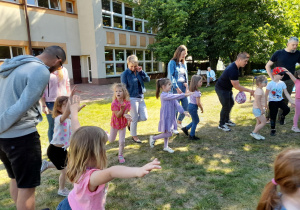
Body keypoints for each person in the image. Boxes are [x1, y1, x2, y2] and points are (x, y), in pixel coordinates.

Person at [56, 94, 161, 210]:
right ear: (94, 153)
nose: (104, 151)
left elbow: (77, 133)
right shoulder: (91, 178)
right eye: (102, 147)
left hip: (69, 203)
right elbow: (112, 172)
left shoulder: (77, 164)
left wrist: (74, 113)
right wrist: (138, 170)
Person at [0, 46, 66, 210]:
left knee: (16, 179)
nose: (55, 72)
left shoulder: (13, 65)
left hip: (3, 139)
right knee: (27, 187)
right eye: (59, 68)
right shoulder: (40, 71)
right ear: (58, 61)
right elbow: (22, 105)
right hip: (21, 138)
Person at [40, 95, 85, 196]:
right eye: (65, 105)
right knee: (65, 171)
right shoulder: (59, 118)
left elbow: (71, 115)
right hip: (54, 150)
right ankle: (61, 189)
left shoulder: (68, 118)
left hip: (63, 150)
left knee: (69, 166)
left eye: (68, 104)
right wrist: (71, 101)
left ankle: (47, 165)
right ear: (59, 108)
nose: (68, 107)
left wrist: (77, 109)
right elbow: (67, 114)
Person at [149, 78, 192, 153]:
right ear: (163, 86)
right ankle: (153, 138)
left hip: (171, 117)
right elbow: (175, 97)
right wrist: (184, 95)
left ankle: (166, 146)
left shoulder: (170, 94)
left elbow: (177, 104)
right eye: (169, 85)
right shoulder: (164, 95)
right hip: (166, 117)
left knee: (167, 131)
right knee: (169, 133)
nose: (170, 86)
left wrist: (183, 112)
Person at [215, 52, 254, 132]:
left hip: (227, 89)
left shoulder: (236, 67)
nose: (246, 63)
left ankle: (227, 120)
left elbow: (236, 84)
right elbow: (237, 86)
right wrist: (249, 90)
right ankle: (221, 124)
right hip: (221, 89)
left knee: (231, 103)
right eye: (245, 61)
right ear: (239, 59)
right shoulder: (233, 69)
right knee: (225, 106)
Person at [265, 37, 300, 120]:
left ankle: (281, 117)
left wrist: (297, 74)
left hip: (289, 81)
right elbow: (267, 65)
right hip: (277, 81)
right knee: (273, 100)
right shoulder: (278, 53)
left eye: (296, 45)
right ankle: (268, 117)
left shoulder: (298, 53)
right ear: (288, 44)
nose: (295, 46)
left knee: (285, 101)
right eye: (293, 45)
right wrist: (272, 78)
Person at [121, 55, 150, 143]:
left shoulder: (138, 71)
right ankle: (134, 136)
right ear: (127, 64)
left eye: (135, 66)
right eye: (131, 66)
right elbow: (123, 88)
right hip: (132, 98)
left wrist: (142, 72)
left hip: (141, 97)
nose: (133, 68)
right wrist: (124, 100)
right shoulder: (125, 74)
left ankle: (130, 122)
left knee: (144, 117)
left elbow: (147, 80)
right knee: (134, 117)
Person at [41, 66, 70, 143]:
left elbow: (67, 84)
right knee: (52, 126)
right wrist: (44, 105)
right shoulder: (46, 71)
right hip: (50, 102)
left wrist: (69, 99)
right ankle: (52, 145)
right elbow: (42, 90)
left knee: (66, 123)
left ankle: (64, 143)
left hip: (64, 102)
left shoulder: (64, 70)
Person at [265, 67, 295, 136]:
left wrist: (292, 101)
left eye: (283, 74)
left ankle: (282, 116)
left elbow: (286, 93)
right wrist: (265, 103)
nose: (283, 75)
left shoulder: (282, 83)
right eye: (281, 74)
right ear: (275, 74)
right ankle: (273, 129)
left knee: (287, 109)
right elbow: (266, 94)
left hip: (280, 101)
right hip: (272, 102)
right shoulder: (270, 84)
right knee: (273, 116)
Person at [108, 83, 132, 163]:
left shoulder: (127, 103)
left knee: (122, 141)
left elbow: (125, 114)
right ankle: (106, 134)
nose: (118, 93)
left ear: (124, 92)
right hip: (115, 124)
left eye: (120, 91)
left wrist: (128, 117)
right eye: (116, 91)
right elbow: (118, 115)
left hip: (123, 124)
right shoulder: (114, 103)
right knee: (111, 140)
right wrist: (121, 110)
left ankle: (120, 155)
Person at [167, 45, 189, 133]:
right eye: (183, 54)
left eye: (185, 54)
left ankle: (179, 122)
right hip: (175, 87)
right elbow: (170, 76)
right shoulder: (172, 63)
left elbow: (185, 75)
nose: (184, 56)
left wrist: (187, 86)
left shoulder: (184, 63)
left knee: (186, 106)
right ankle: (173, 127)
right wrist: (176, 87)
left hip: (184, 86)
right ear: (178, 53)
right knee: (175, 108)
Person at [181, 75, 204, 140]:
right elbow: (198, 103)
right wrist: (202, 108)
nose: (201, 83)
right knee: (196, 121)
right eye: (200, 81)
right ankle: (192, 135)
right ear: (196, 83)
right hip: (193, 107)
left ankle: (186, 128)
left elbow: (186, 93)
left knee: (195, 120)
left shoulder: (191, 91)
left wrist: (186, 87)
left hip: (190, 106)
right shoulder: (197, 93)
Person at [250, 75, 268, 140]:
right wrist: (261, 110)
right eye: (265, 82)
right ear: (260, 83)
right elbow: (258, 101)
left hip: (258, 109)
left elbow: (257, 99)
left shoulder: (259, 89)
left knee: (259, 122)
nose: (266, 83)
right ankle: (254, 133)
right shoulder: (259, 91)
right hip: (258, 109)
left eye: (267, 81)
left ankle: (257, 133)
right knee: (264, 122)